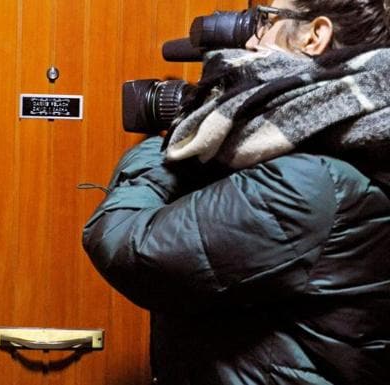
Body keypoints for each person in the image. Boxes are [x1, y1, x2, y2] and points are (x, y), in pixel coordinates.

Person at [82, 0, 390, 384]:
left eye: (265, 20)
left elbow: (125, 244)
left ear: (316, 36)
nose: (250, 37)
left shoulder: (307, 184)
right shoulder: (353, 138)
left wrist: (166, 149)